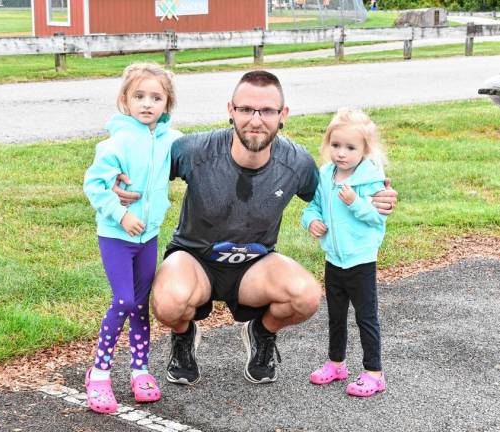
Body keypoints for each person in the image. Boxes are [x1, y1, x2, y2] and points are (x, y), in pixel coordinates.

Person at [113, 70, 398, 387]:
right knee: (168, 304)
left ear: (282, 115)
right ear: (230, 111)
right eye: (246, 109)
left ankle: (261, 332)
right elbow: (143, 162)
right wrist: (117, 181)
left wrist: (376, 195)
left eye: (266, 111)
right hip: (195, 260)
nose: (256, 119)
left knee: (306, 296)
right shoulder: (194, 151)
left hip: (255, 265)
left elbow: (334, 189)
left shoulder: (297, 164)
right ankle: (183, 336)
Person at [82, 62, 182, 413]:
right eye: (139, 96)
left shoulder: (171, 139)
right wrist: (121, 214)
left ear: (167, 104)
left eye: (156, 97)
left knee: (140, 305)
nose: (147, 103)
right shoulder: (116, 143)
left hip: (149, 237)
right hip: (116, 236)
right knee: (124, 301)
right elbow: (94, 185)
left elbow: (198, 155)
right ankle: (99, 373)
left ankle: (140, 370)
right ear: (125, 100)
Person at [302, 108, 387, 397]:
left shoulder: (371, 179)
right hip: (333, 260)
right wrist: (311, 220)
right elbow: (313, 205)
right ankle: (336, 364)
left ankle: (374, 372)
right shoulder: (325, 176)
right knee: (335, 316)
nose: (341, 153)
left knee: (366, 317)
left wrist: (354, 202)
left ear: (365, 148)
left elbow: (377, 218)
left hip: (361, 261)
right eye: (335, 145)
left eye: (350, 147)